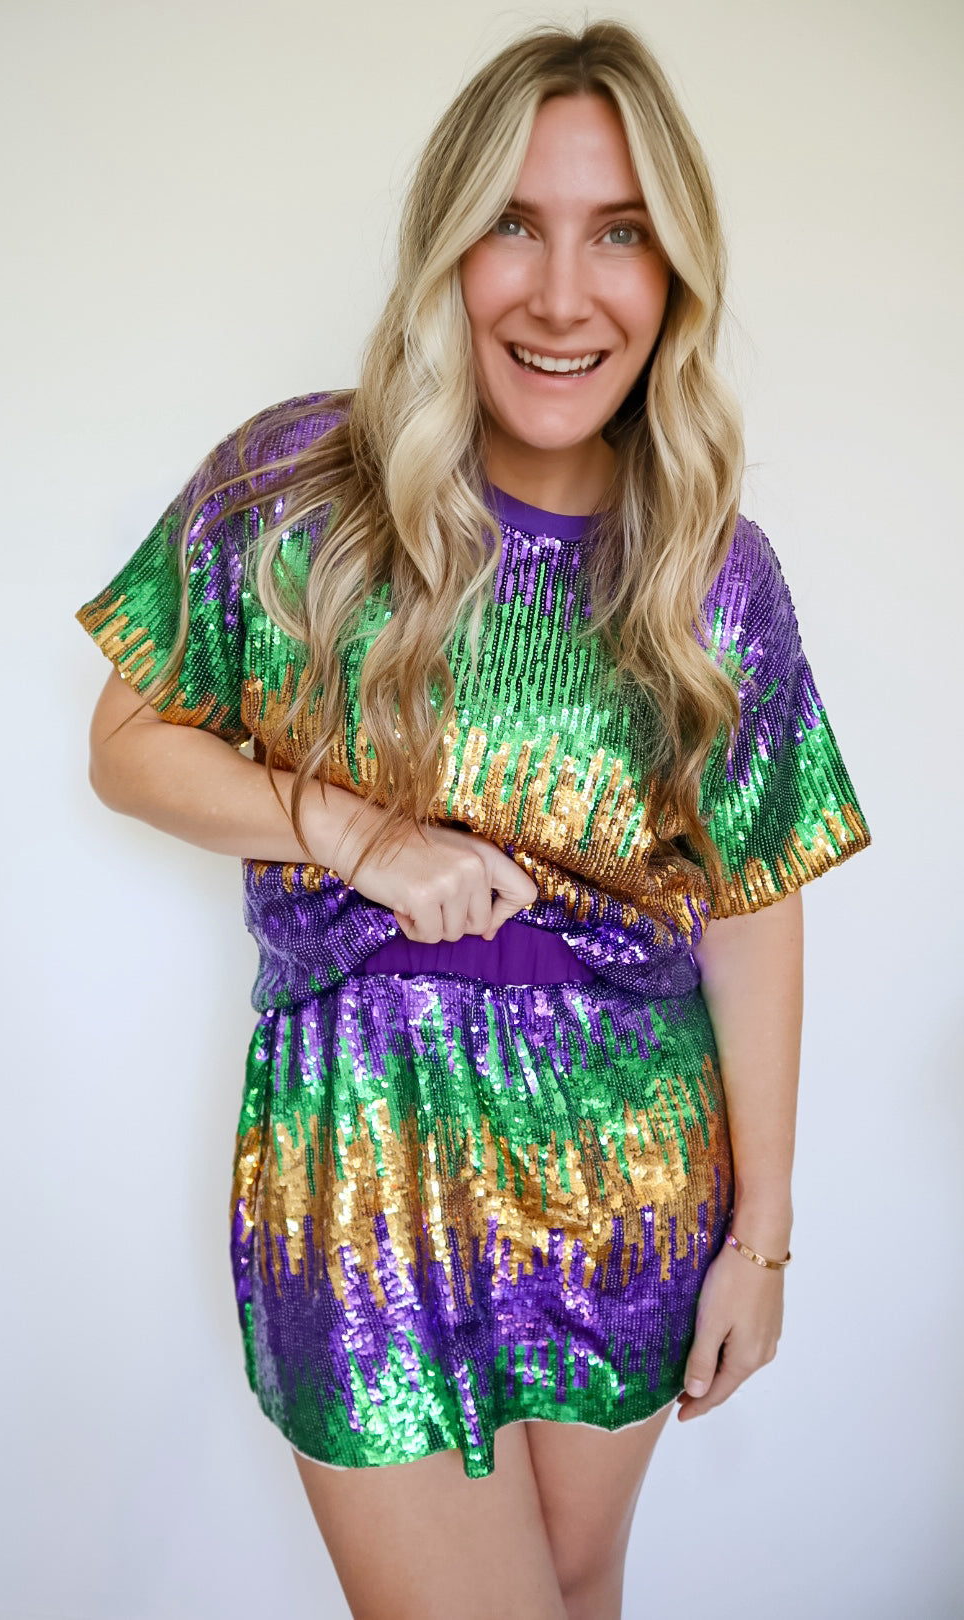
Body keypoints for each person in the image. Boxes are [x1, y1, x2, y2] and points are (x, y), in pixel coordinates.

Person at [77, 19, 871, 1620]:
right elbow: (126, 746)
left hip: (632, 1171)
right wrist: (358, 836)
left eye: (619, 232)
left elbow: (754, 901)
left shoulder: (711, 570)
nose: (564, 294)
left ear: (674, 275)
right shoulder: (298, 492)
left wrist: (763, 1240)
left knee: (575, 1596)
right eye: (516, 222)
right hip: (363, 1167)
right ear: (446, 244)